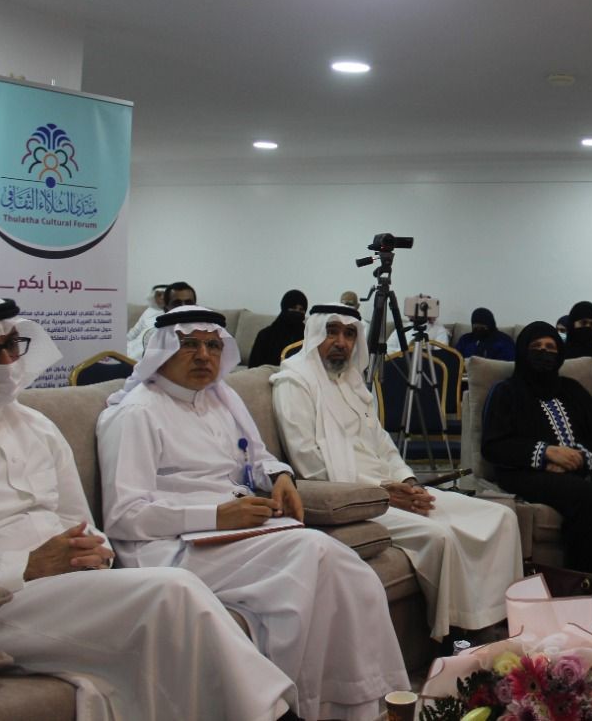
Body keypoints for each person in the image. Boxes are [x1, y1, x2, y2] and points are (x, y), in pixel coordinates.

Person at [0, 294, 298, 721]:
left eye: (11, 345)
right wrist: (23, 566)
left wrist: (94, 551)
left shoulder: (36, 425)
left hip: (67, 583)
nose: (4, 361)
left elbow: (82, 523)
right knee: (171, 592)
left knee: (176, 599)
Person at [97, 306, 409, 721]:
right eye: (189, 344)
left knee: (350, 572)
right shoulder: (136, 413)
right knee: (313, 554)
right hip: (169, 548)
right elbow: (124, 516)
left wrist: (280, 475)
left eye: (213, 346)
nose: (204, 356)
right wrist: (215, 516)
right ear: (162, 349)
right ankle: (299, 705)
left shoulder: (219, 399)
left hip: (229, 533)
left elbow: (256, 456)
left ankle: (360, 703)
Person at [272, 304, 523, 641]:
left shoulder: (353, 383)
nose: (341, 342)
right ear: (314, 334)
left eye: (349, 334)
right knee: (441, 537)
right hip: (356, 500)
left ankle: (503, 623)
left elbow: (384, 444)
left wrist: (408, 481)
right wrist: (383, 493)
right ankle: (458, 635)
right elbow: (310, 467)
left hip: (392, 488)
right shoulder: (293, 382)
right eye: (331, 332)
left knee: (501, 517)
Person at [482, 321, 592, 628]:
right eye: (536, 348)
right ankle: (587, 606)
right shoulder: (506, 392)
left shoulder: (573, 390)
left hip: (580, 468)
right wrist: (546, 453)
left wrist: (577, 459)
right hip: (525, 473)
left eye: (550, 348)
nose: (544, 353)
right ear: (522, 351)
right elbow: (494, 446)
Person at [248, 289, 309, 367]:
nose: (297, 312)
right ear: (284, 308)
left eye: (301, 310)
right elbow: (253, 366)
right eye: (293, 308)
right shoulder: (266, 335)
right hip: (268, 371)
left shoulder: (307, 336)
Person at [124, 283, 168, 360]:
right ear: (153, 297)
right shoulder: (148, 311)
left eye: (164, 295)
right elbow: (135, 331)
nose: (161, 298)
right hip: (136, 344)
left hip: (153, 348)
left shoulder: (172, 312)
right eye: (158, 295)